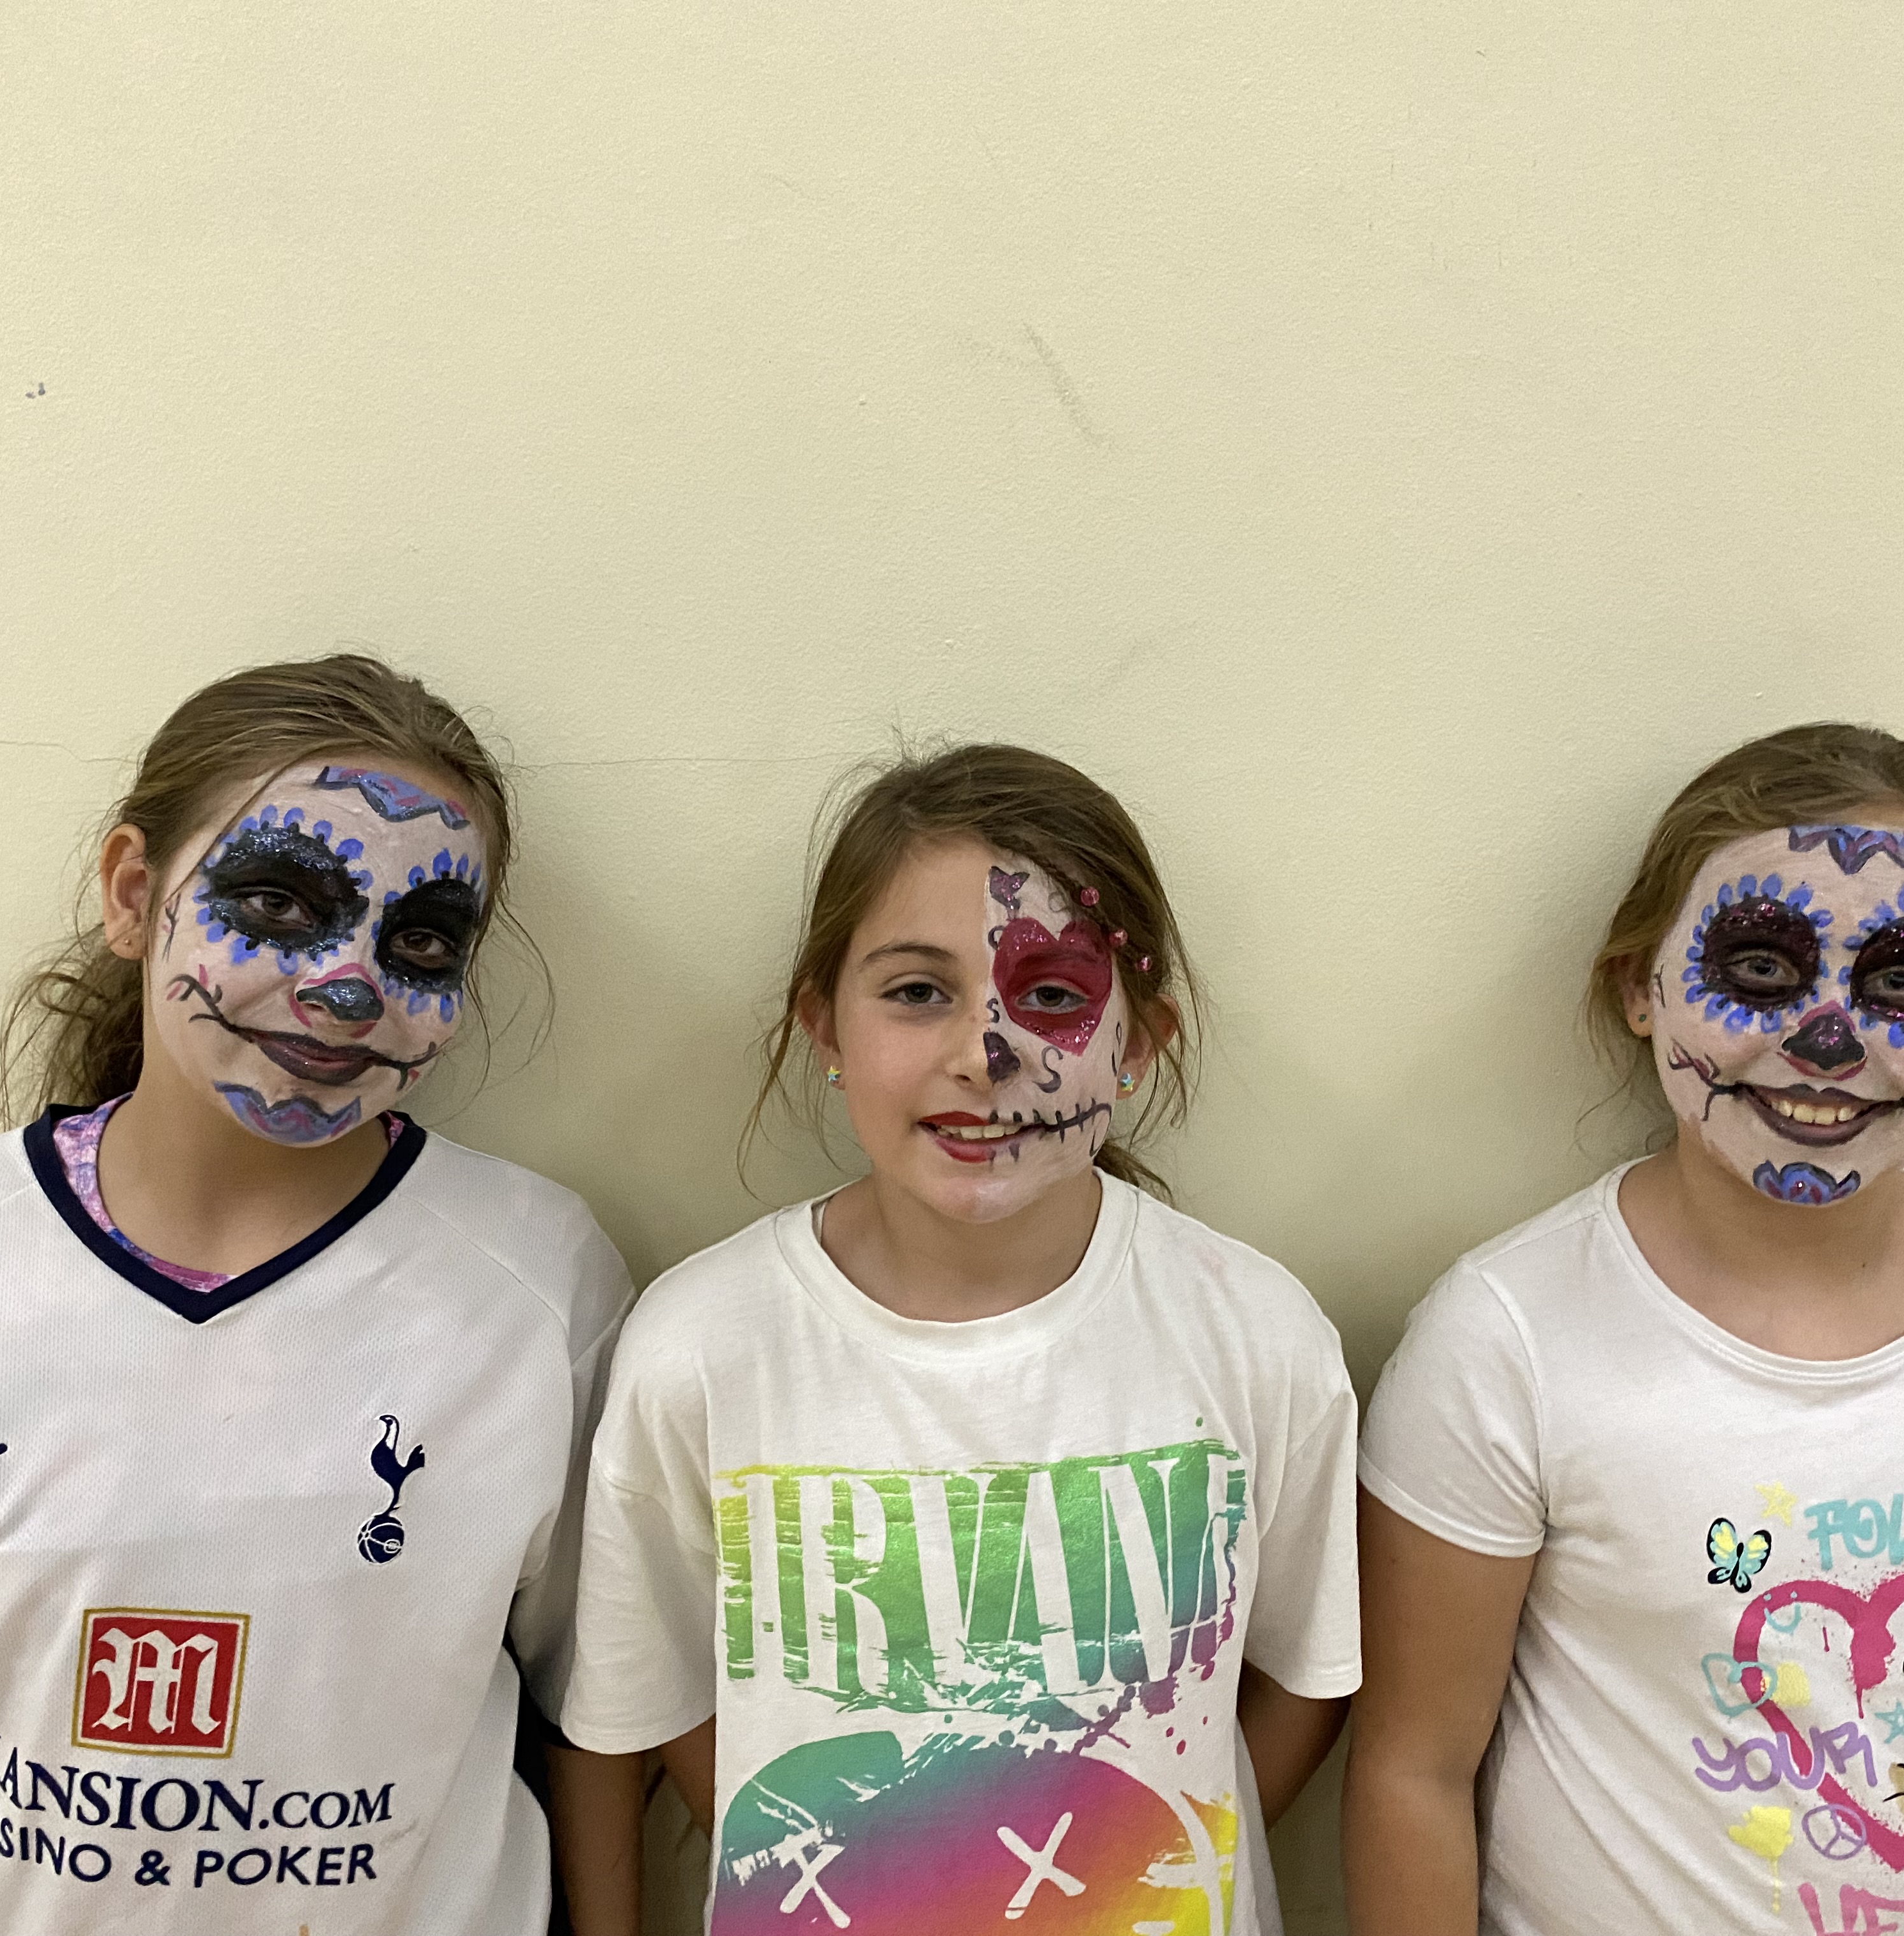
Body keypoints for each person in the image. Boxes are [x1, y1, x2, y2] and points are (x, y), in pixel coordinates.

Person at [0, 654, 634, 1936]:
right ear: (134, 894)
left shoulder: (538, 1285)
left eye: (420, 940)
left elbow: (605, 1708)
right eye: (280, 905)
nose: (347, 984)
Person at [1344, 723, 1904, 1936]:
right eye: (1759, 968)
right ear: (1640, 987)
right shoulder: (1509, 1341)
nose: (1826, 1040)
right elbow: (1415, 1768)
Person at [555, 743, 1361, 1935]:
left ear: (1137, 1044)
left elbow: (1306, 1677)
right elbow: (649, 1696)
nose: (985, 1057)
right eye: (918, 992)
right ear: (823, 1023)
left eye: (1054, 997)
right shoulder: (703, 1348)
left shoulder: (1254, 1335)